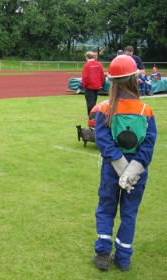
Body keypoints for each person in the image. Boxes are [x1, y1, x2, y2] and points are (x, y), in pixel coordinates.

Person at [93, 55, 157, 271]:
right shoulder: (145, 111)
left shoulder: (104, 109)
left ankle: (102, 254)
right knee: (129, 214)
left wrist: (121, 168)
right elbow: (148, 146)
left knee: (106, 208)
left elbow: (103, 141)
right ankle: (123, 259)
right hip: (137, 173)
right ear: (134, 79)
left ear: (112, 81)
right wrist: (131, 171)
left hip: (112, 170)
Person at [81, 51, 105, 115]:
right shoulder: (99, 64)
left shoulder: (87, 65)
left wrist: (84, 85)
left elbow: (85, 77)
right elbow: (102, 75)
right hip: (97, 86)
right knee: (94, 101)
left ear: (87, 57)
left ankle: (91, 116)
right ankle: (94, 114)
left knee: (90, 102)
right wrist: (100, 83)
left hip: (89, 86)